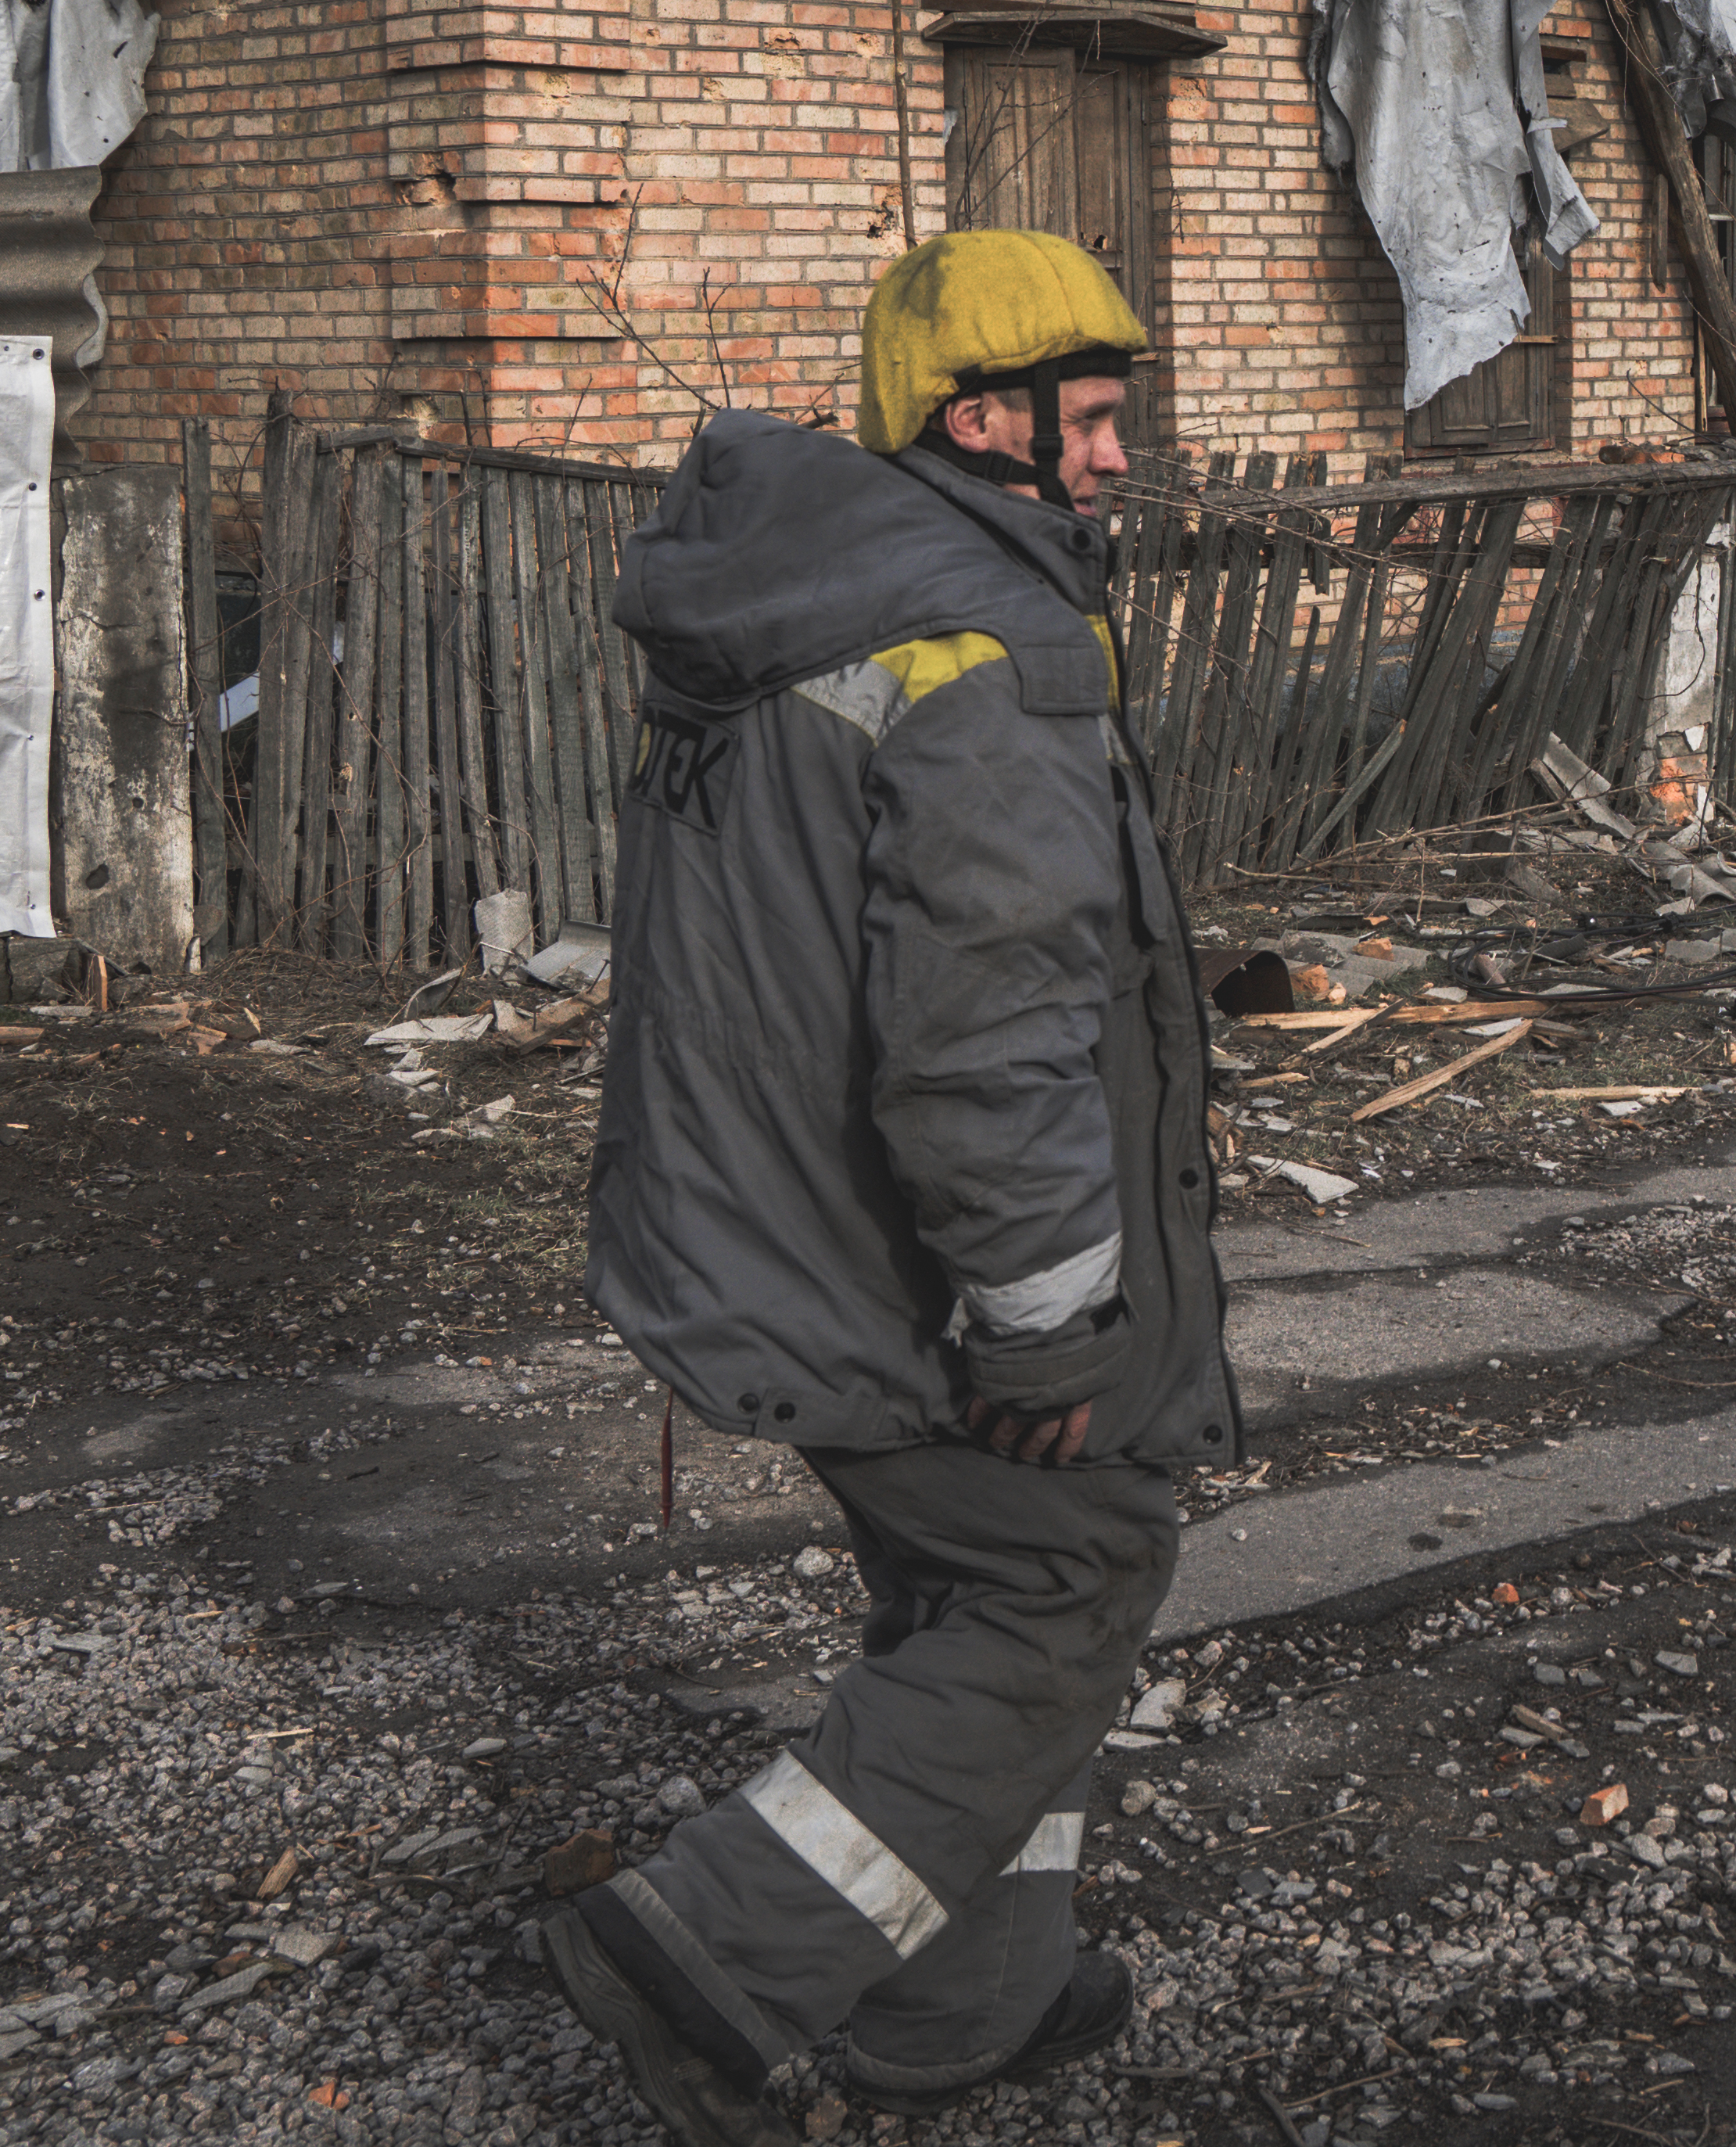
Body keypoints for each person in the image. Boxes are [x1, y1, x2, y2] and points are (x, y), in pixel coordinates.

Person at [544, 229, 1235, 2146]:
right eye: (1089, 423)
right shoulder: (980, 639)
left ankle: (963, 2001)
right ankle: (708, 1952)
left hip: (773, 1216)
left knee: (972, 1592)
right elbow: (987, 1027)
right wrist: (1046, 1312)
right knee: (1061, 1569)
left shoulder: (811, 594)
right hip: (901, 1258)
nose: (1115, 460)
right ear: (981, 418)